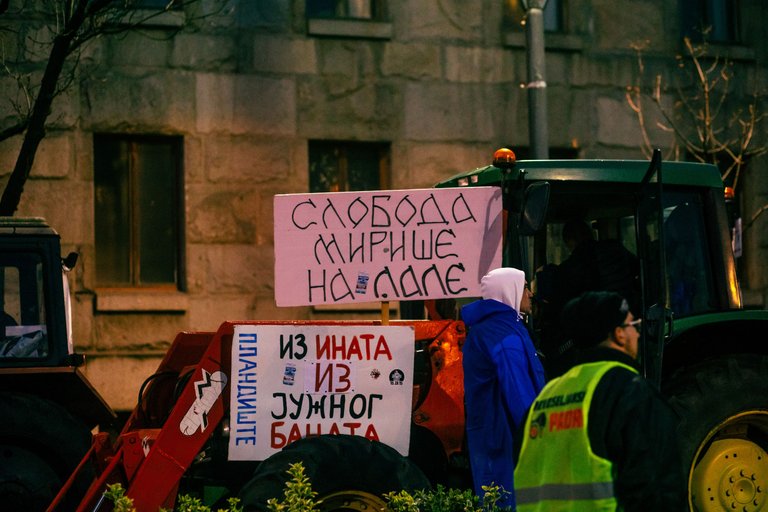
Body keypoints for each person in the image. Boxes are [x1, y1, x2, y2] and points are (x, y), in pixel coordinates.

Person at [514, 291, 685, 511]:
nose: (638, 334)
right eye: (634, 324)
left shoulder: (545, 398)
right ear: (619, 334)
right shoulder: (631, 393)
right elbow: (656, 489)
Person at [461, 267, 547, 509]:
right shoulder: (499, 331)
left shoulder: (499, 327)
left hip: (499, 431)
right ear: (510, 290)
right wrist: (539, 431)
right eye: (525, 287)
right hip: (504, 434)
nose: (530, 294)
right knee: (508, 499)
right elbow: (517, 387)